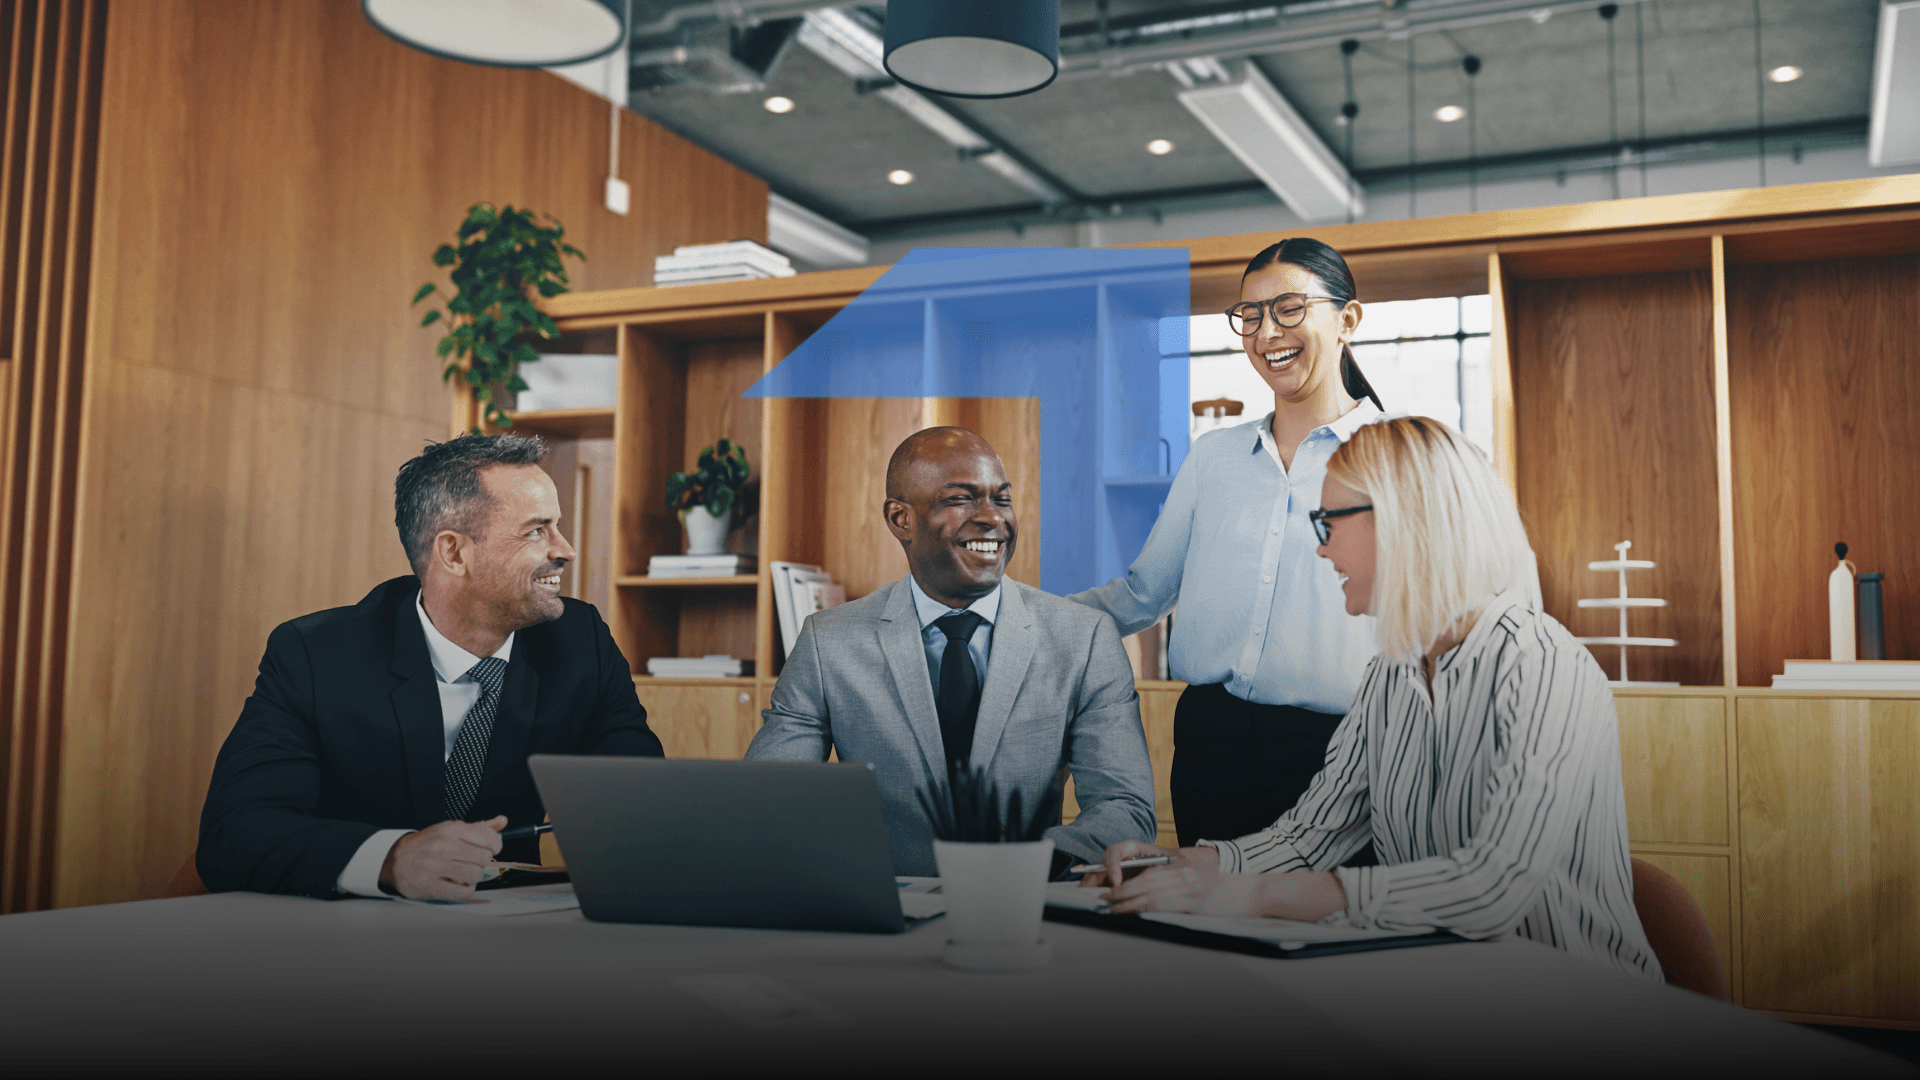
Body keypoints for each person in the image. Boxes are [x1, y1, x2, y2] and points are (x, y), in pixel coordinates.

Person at [1090, 417, 1659, 980]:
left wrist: (1246, 895)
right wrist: (1182, 863)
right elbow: (1307, 838)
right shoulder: (1388, 676)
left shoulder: (1544, 665)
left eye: (1328, 522)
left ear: (1403, 520)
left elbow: (1493, 887)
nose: (1320, 549)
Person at [197, 434, 664, 901]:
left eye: (556, 526)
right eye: (536, 531)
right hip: (350, 928)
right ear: (454, 552)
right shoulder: (316, 656)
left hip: (516, 924)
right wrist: (391, 859)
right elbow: (234, 834)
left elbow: (645, 806)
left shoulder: (581, 643)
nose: (565, 549)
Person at [1068, 237, 1386, 852]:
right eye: (1251, 315)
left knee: (1330, 910)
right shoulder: (1212, 458)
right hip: (1211, 747)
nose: (1268, 333)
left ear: (1347, 319)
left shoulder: (1397, 454)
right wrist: (1023, 618)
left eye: (1289, 309)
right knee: (1202, 906)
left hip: (1347, 749)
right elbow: (1142, 595)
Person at [748, 427, 1156, 879]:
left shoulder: (1085, 638)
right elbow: (768, 799)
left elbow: (1125, 807)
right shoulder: (828, 642)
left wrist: (1027, 865)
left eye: (1002, 499)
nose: (992, 518)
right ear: (900, 519)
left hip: (1026, 900)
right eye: (961, 499)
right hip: (885, 904)